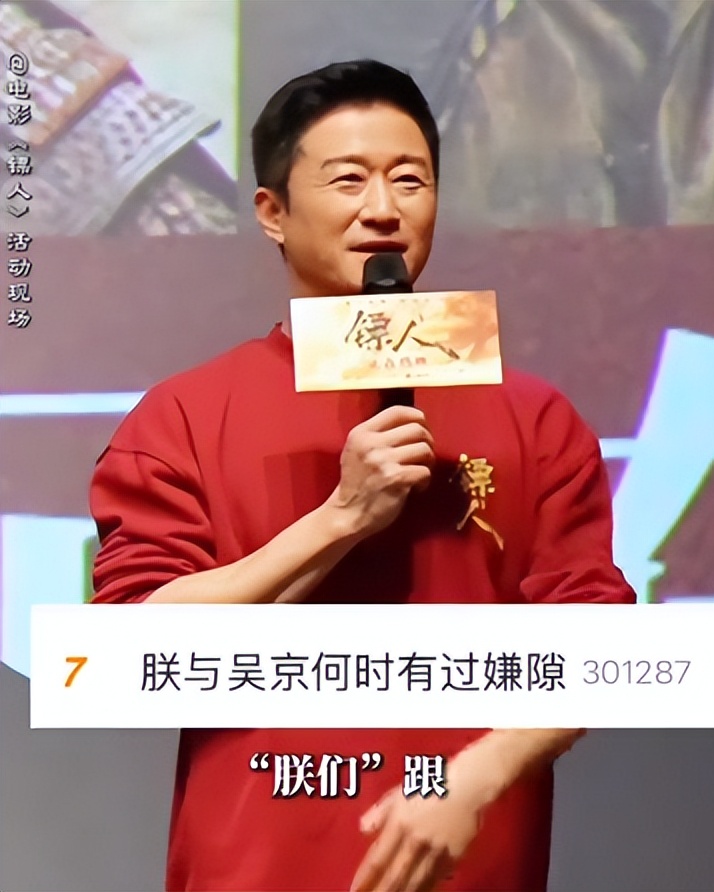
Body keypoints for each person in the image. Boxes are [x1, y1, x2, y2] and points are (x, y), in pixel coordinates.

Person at [90, 59, 635, 892]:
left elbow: (599, 643)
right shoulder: (186, 415)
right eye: (348, 180)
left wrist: (477, 777)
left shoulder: (534, 416)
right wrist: (342, 517)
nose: (383, 208)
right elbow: (128, 652)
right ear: (272, 212)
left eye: (409, 180)